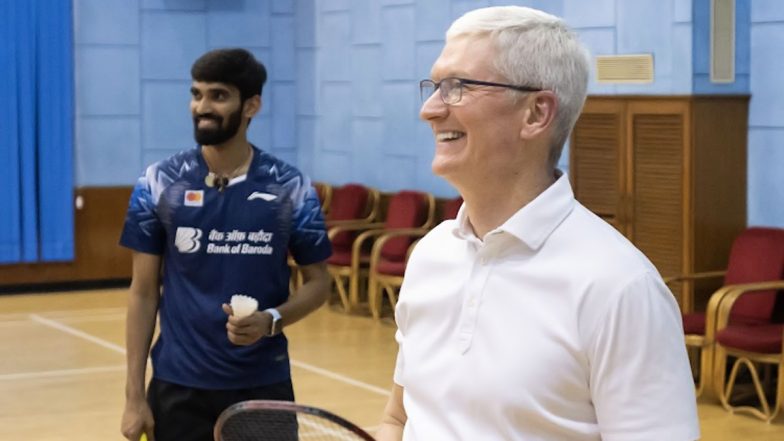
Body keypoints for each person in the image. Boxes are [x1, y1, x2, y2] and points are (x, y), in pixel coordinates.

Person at [377, 6, 699, 441]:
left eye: (457, 87)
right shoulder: (431, 255)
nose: (430, 110)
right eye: (434, 87)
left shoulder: (620, 287)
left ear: (536, 113)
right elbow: (399, 419)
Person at [119, 48, 332, 441]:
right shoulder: (158, 182)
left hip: (261, 386)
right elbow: (143, 292)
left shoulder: (290, 187)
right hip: (177, 387)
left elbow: (320, 283)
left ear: (251, 105)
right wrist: (134, 394)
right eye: (196, 94)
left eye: (218, 96)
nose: (202, 106)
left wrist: (272, 320)